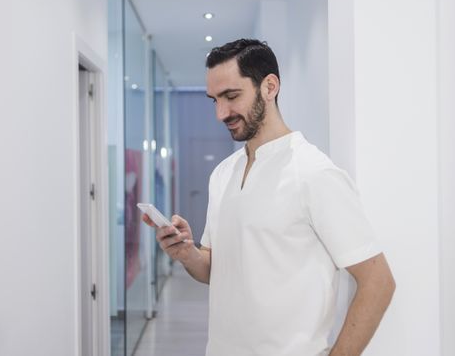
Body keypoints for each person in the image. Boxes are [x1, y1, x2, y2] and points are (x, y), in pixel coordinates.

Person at [142, 39, 395, 356]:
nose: (221, 113)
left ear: (270, 86)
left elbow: (378, 282)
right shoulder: (223, 174)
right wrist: (186, 254)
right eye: (214, 100)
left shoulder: (314, 173)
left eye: (231, 96)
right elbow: (216, 269)